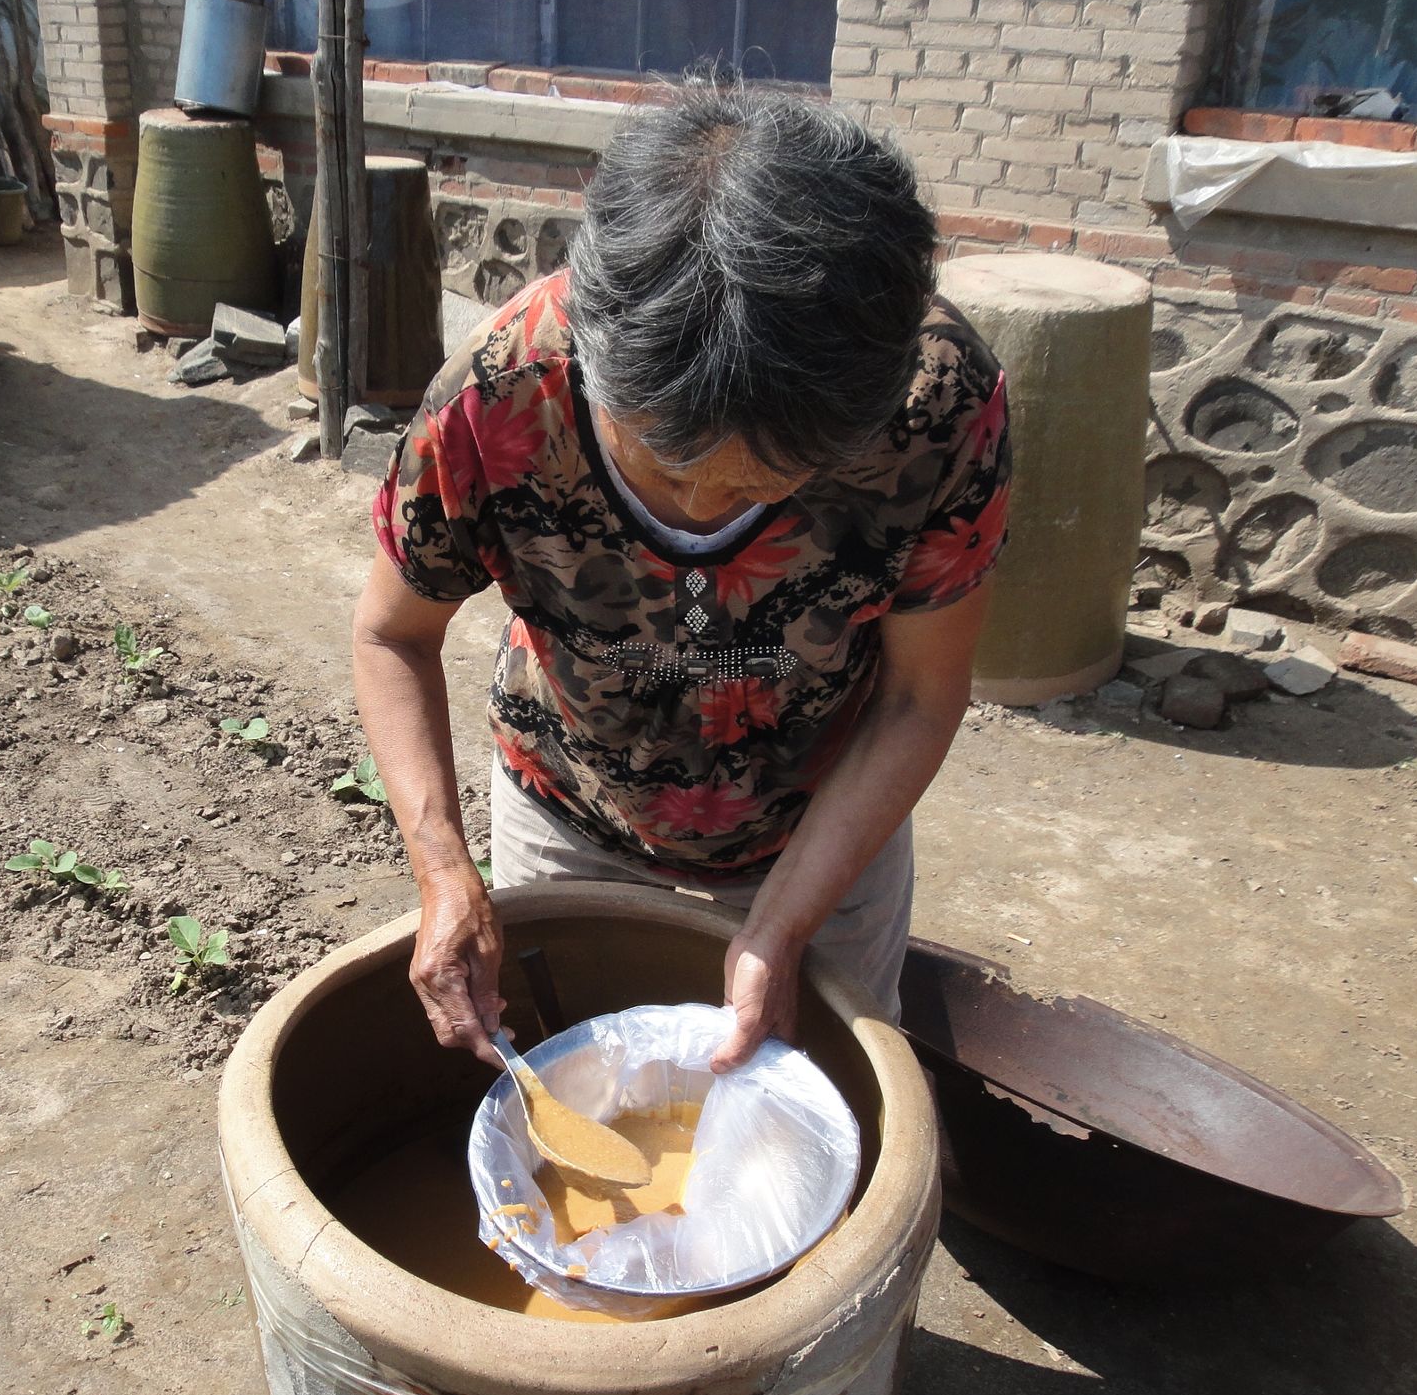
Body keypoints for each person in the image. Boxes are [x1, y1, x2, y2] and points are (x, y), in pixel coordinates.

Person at [350, 76, 1012, 1077]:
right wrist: (444, 870)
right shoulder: (500, 393)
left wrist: (782, 925)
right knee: (579, 1087)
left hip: (823, 825)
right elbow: (392, 633)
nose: (704, 510)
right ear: (594, 360)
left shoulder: (935, 405)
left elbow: (920, 693)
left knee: (821, 1102)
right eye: (664, 462)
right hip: (571, 808)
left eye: (769, 479)